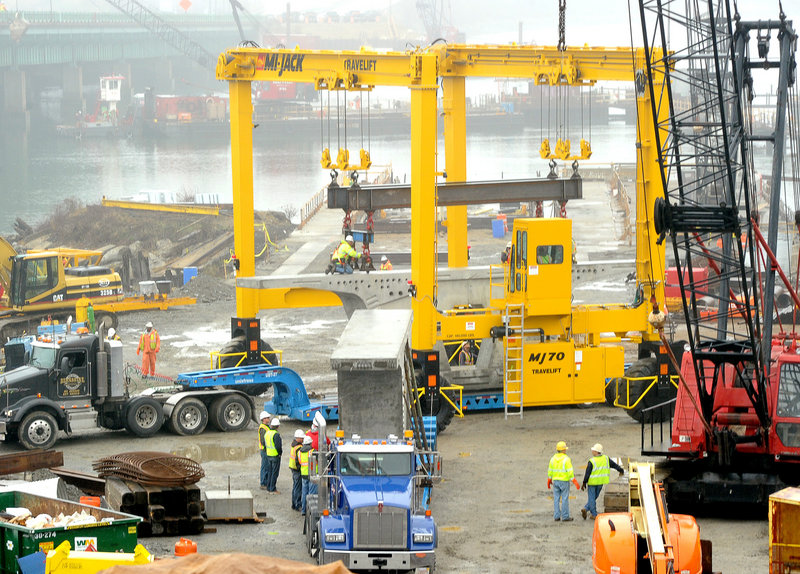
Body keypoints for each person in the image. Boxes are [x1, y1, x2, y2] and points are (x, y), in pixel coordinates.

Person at [580, 443, 625, 520]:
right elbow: (614, 465)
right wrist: (621, 470)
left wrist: (584, 482)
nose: (592, 451)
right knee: (594, 497)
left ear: (596, 452)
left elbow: (587, 473)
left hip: (592, 483)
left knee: (592, 498)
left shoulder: (592, 461)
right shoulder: (606, 459)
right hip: (600, 482)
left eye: (593, 450)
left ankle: (593, 514)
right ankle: (586, 508)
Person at [547, 440, 580, 522]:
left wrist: (549, 479)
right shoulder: (566, 459)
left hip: (555, 481)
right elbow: (570, 471)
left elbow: (550, 470)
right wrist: (574, 480)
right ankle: (565, 516)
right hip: (564, 481)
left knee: (556, 499)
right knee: (565, 499)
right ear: (563, 450)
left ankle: (556, 516)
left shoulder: (552, 459)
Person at [289, 429, 305, 511]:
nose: (303, 440)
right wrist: (300, 469)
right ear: (298, 438)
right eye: (302, 438)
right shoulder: (299, 447)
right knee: (298, 487)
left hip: (293, 467)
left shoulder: (293, 445)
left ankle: (293, 503)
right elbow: (298, 460)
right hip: (297, 469)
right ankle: (297, 504)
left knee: (295, 486)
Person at [265, 418, 282, 494]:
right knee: (274, 473)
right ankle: (272, 488)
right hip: (275, 455)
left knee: (270, 472)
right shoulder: (276, 435)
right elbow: (278, 446)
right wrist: (280, 453)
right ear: (278, 426)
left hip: (268, 455)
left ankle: (268, 487)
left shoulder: (267, 433)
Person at [298, 434, 313, 514]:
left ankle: (303, 510)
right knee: (311, 494)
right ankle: (309, 511)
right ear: (310, 443)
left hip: (303, 474)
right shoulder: (312, 452)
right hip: (311, 474)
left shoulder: (300, 452)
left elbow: (300, 462)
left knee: (304, 493)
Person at [257, 411, 271, 490]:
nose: (269, 419)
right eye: (267, 418)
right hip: (264, 450)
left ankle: (265, 482)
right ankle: (263, 483)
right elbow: (263, 441)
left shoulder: (266, 427)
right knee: (265, 467)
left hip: (266, 450)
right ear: (263, 419)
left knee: (266, 466)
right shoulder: (263, 428)